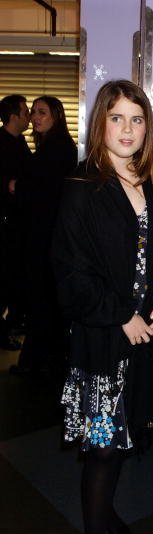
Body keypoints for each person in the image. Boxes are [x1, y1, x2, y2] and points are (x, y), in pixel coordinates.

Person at [51, 80, 153, 534]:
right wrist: (120, 315)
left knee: (125, 441)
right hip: (104, 343)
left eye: (138, 119)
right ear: (101, 122)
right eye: (118, 118)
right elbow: (70, 273)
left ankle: (107, 515)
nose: (128, 129)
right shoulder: (83, 188)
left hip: (145, 341)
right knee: (102, 450)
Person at [10, 96, 77, 377]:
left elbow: (44, 191)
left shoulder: (57, 147)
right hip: (46, 234)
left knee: (42, 299)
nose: (36, 117)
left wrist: (18, 186)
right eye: (34, 112)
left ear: (56, 116)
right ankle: (42, 361)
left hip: (46, 235)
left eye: (42, 112)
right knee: (44, 299)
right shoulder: (53, 145)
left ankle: (36, 363)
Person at [0, 94, 31, 349]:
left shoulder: (20, 142)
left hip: (17, 223)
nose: (29, 116)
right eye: (25, 111)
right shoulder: (2, 143)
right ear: (13, 117)